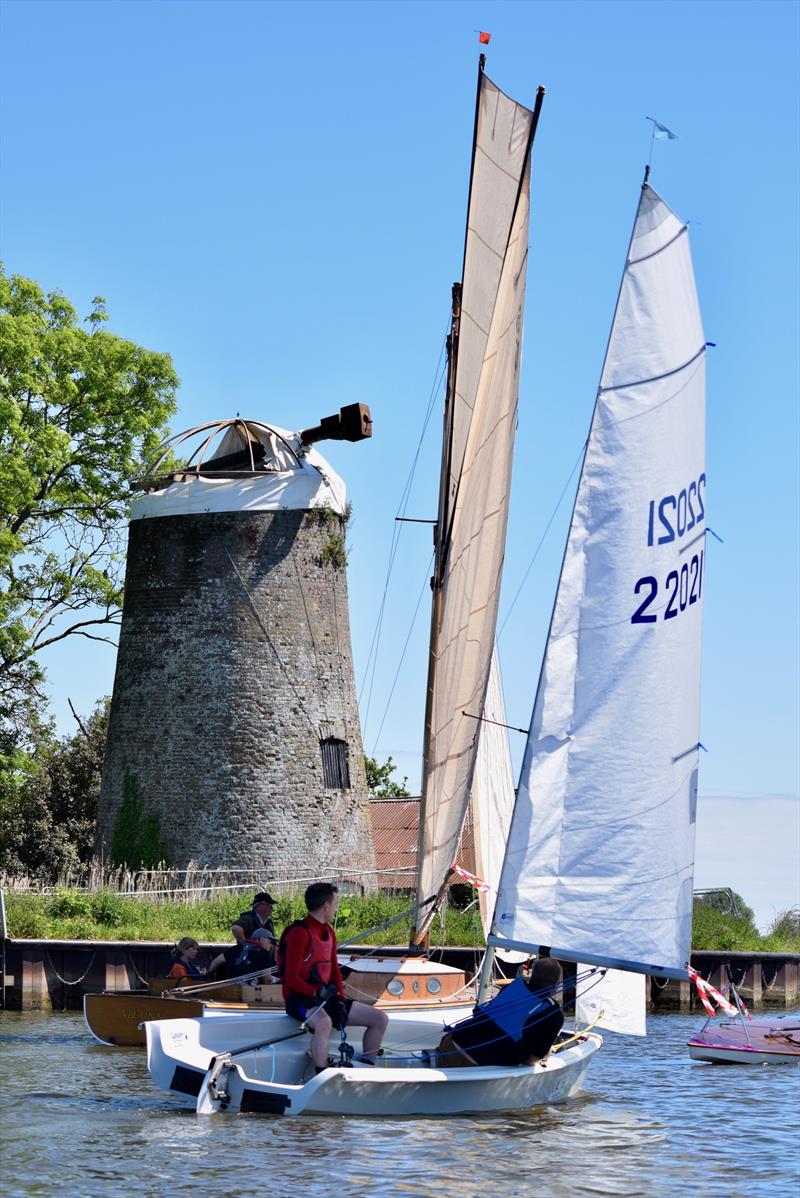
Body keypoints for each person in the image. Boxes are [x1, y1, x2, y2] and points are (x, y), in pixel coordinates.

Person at [281, 882, 388, 1073]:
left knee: (379, 1019)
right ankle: (321, 1074)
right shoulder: (299, 933)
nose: (336, 908)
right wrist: (314, 992)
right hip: (299, 999)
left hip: (324, 997)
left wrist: (338, 999)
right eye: (335, 903)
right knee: (324, 1022)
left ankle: (368, 1067)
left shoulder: (328, 932)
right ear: (326, 906)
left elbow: (334, 971)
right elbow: (290, 977)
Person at [435, 956, 565, 1068]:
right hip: (471, 1063)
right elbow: (531, 1060)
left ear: (532, 975)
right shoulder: (553, 1013)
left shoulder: (512, 987)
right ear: (557, 984)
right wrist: (546, 1053)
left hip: (448, 1044)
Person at [209, 928, 278, 983]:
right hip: (249, 992)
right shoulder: (265, 954)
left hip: (229, 987)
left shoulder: (236, 948)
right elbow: (268, 979)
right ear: (261, 939)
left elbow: (215, 962)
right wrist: (278, 980)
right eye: (270, 941)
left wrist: (209, 976)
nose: (272, 945)